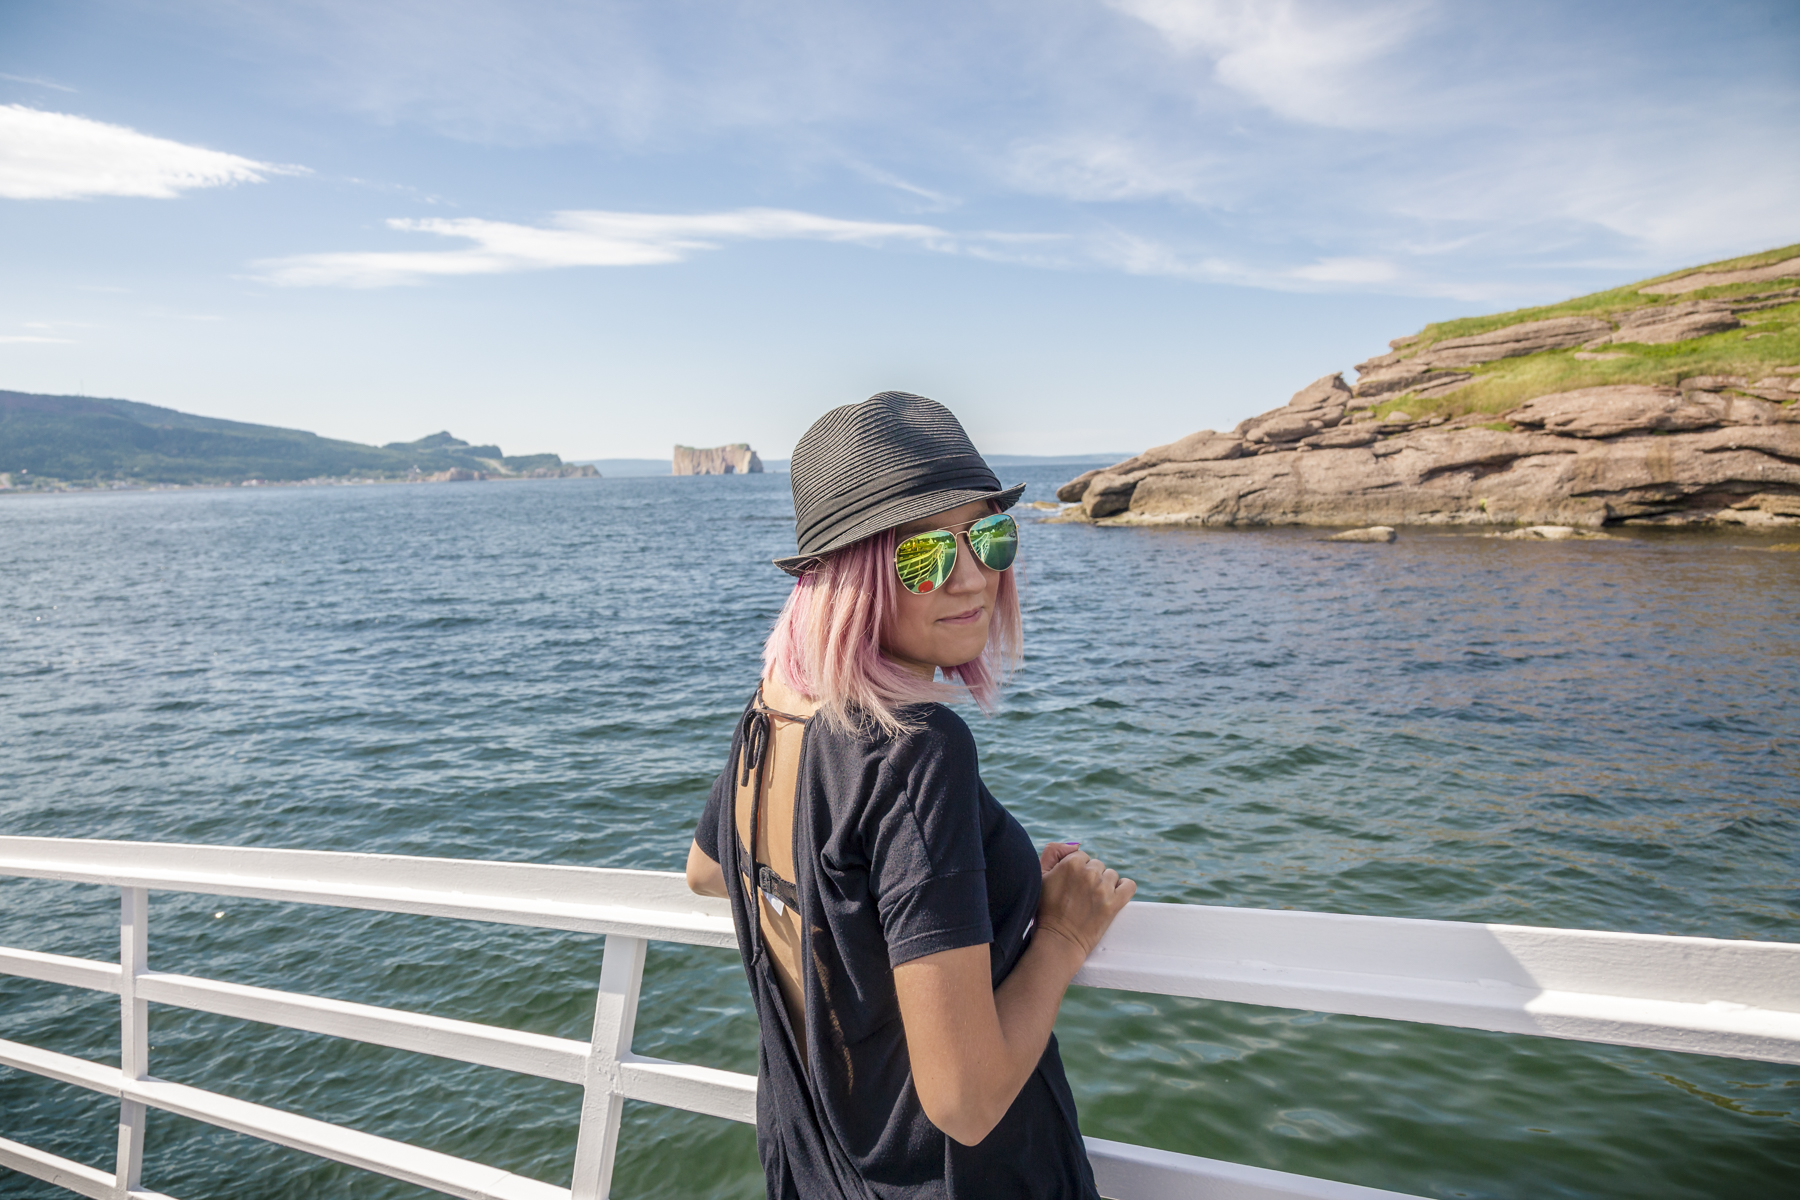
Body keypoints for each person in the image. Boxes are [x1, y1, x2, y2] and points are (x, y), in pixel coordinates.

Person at [685, 391, 1136, 1199]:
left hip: (818, 1168)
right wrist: (1063, 934)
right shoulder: (916, 749)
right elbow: (963, 1100)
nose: (972, 579)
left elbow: (709, 870)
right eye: (923, 556)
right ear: (851, 575)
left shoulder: (773, 710)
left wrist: (925, 893)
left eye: (990, 536)